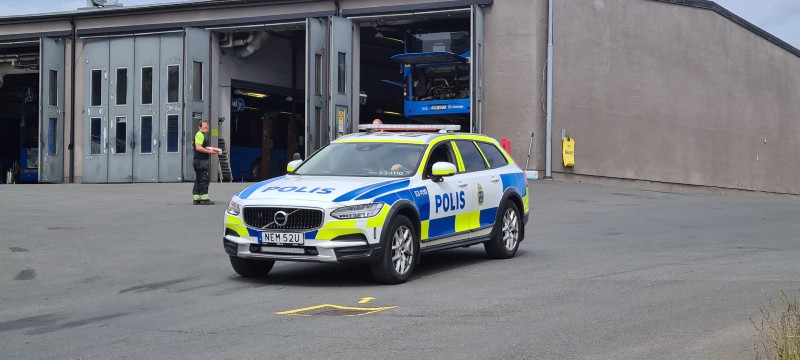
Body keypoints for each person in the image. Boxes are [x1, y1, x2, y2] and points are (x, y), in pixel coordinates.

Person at [192, 119, 219, 205]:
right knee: (204, 179)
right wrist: (209, 152)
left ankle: (196, 198)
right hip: (201, 161)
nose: (206, 128)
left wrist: (208, 148)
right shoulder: (200, 135)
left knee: (199, 180)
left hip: (197, 161)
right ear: (200, 127)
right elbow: (198, 147)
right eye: (204, 127)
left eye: (207, 127)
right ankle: (204, 198)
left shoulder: (199, 135)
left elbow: (200, 147)